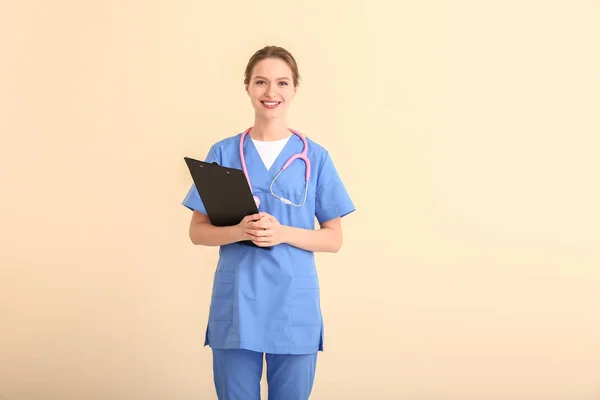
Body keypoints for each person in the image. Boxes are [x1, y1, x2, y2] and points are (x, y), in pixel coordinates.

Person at [181, 45, 355, 400]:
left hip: (293, 303)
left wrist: (283, 233)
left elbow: (334, 238)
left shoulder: (315, 157)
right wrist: (240, 231)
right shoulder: (223, 153)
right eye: (261, 82)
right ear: (247, 86)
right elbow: (197, 232)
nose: (271, 92)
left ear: (294, 89)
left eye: (281, 83)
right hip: (238, 305)